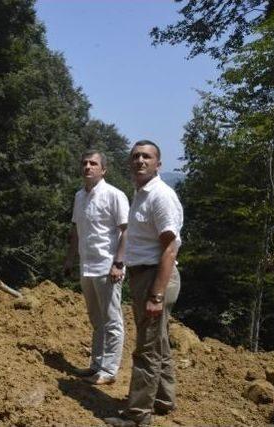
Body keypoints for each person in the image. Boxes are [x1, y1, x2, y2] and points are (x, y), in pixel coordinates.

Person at [105, 140, 183, 427]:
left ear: (158, 164)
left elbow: (170, 249)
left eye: (147, 157)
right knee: (158, 341)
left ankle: (138, 416)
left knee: (146, 348)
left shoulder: (160, 196)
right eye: (136, 156)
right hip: (145, 276)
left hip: (156, 277)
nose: (140, 160)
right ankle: (164, 399)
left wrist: (157, 294)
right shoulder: (141, 193)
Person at [64, 150, 129, 386]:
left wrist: (118, 263)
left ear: (103, 170)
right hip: (87, 265)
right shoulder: (79, 196)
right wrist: (70, 260)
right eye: (85, 163)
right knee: (96, 319)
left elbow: (126, 231)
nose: (88, 167)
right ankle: (96, 365)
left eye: (93, 163)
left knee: (112, 319)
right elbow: (75, 231)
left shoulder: (114, 195)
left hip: (107, 266)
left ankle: (109, 371)